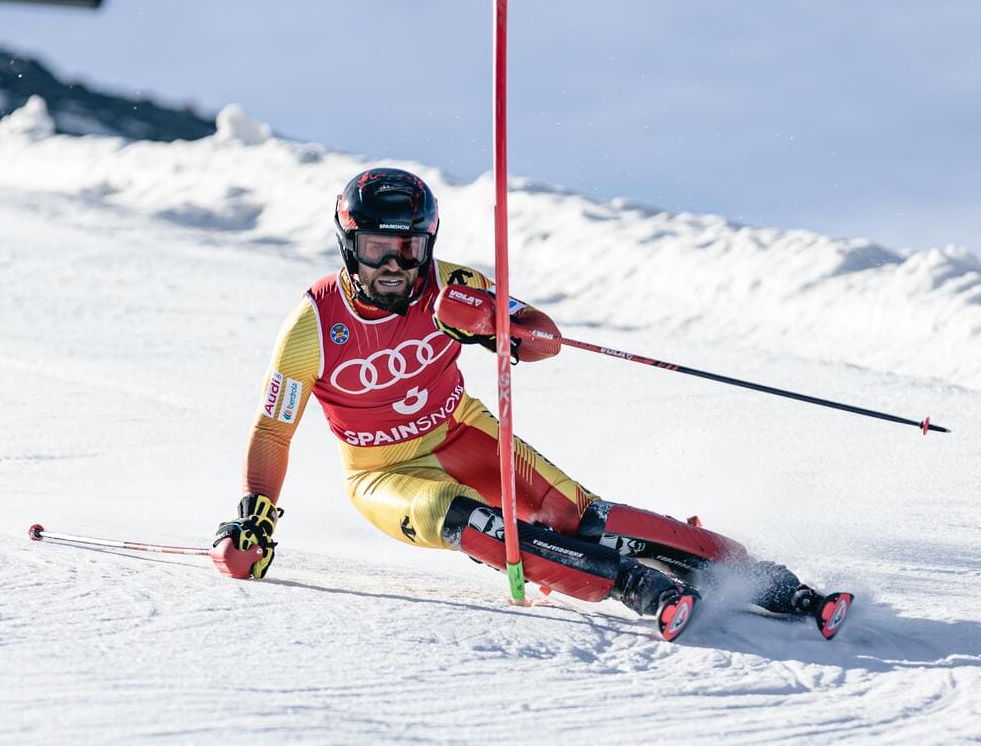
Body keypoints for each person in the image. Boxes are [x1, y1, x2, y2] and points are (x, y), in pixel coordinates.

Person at [213, 167, 850, 641]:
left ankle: (763, 579)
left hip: (460, 430)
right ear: (350, 244)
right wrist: (255, 516)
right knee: (462, 517)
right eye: (379, 247)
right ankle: (631, 585)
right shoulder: (313, 325)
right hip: (383, 472)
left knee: (575, 513)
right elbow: (273, 430)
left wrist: (499, 326)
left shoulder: (451, 287)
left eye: (409, 247)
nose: (395, 265)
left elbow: (544, 338)